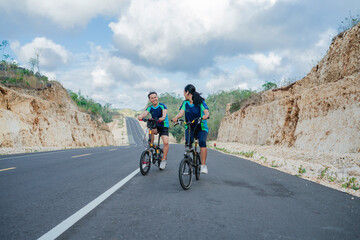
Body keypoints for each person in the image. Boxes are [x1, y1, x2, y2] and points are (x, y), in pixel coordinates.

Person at [172, 84, 210, 174]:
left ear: (187, 92)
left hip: (201, 127)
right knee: (188, 143)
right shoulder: (185, 103)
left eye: (184, 92)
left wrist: (205, 116)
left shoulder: (200, 102)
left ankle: (203, 165)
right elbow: (181, 113)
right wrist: (176, 118)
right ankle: (188, 163)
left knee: (202, 142)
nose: (183, 94)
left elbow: (206, 112)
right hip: (189, 126)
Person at [138, 91, 169, 170]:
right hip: (155, 124)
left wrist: (162, 118)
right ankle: (151, 146)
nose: (154, 99)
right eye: (152, 98)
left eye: (155, 97)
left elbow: (164, 114)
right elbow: (145, 113)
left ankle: (164, 160)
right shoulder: (150, 107)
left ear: (157, 97)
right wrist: (140, 116)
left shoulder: (162, 106)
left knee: (165, 142)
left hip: (163, 125)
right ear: (150, 100)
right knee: (150, 130)